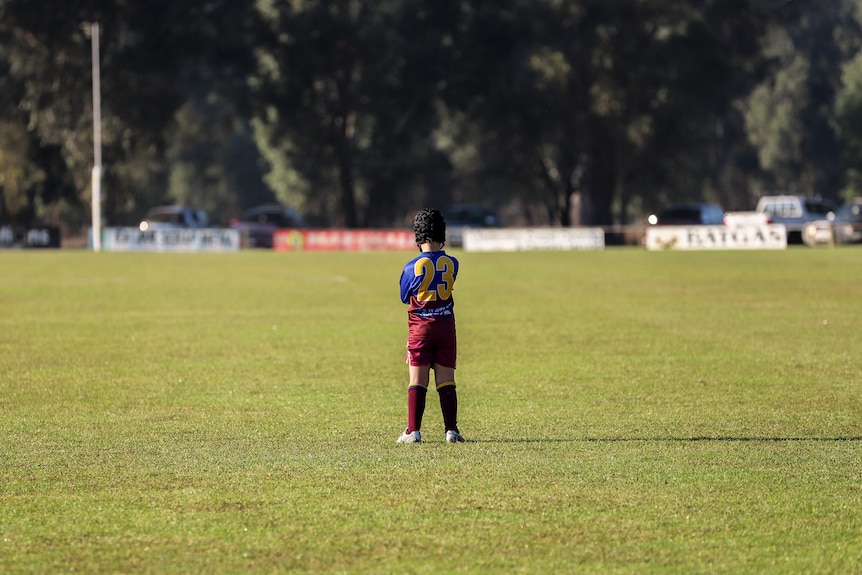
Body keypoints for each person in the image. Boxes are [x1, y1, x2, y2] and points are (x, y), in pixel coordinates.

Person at [397, 208, 465, 444]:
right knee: (446, 379)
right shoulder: (452, 263)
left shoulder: (410, 267)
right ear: (442, 235)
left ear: (418, 236)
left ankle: (413, 431)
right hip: (446, 326)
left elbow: (405, 296)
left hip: (420, 328)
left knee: (417, 379)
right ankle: (452, 431)